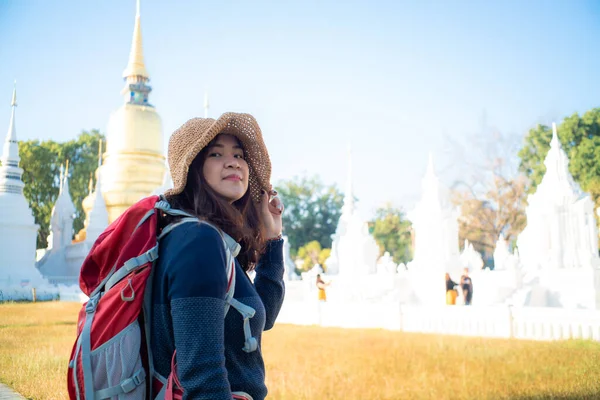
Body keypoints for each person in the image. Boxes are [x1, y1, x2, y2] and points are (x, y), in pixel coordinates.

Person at [151, 113, 285, 400]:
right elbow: (203, 378)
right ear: (192, 168)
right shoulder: (198, 240)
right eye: (216, 153)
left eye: (239, 154)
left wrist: (272, 240)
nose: (234, 161)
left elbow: (265, 316)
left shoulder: (215, 241)